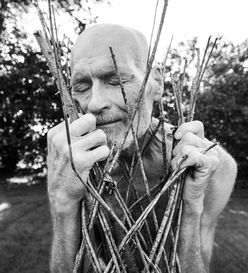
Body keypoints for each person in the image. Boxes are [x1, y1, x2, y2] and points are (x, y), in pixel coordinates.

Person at [47, 24, 237, 273]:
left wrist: (192, 206)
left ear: (155, 83)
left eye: (116, 80)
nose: (94, 103)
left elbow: (198, 264)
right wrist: (63, 203)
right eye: (81, 87)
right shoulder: (69, 156)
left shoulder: (213, 167)